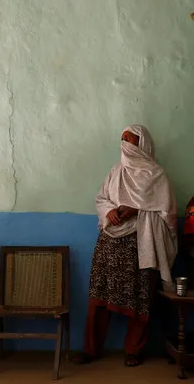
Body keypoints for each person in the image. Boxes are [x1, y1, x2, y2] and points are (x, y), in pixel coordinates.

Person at [74, 124, 178, 367]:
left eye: (129, 139)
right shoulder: (116, 172)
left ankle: (134, 350)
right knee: (98, 295)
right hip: (110, 244)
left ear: (142, 144)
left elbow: (167, 211)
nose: (124, 145)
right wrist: (109, 212)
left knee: (140, 298)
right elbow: (101, 199)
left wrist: (138, 210)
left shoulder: (157, 176)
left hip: (141, 243)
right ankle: (91, 349)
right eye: (122, 139)